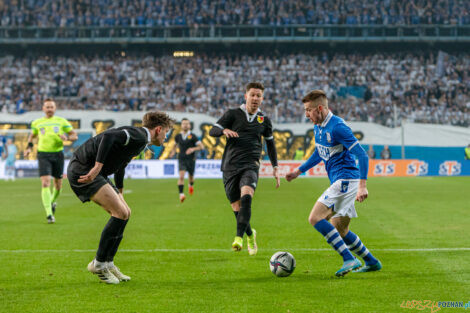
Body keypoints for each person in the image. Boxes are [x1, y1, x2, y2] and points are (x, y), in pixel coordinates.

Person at [67, 111, 174, 284]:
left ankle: (108, 262)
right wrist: (96, 167)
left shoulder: (141, 141)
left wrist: (120, 190)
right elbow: (108, 136)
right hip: (84, 169)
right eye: (166, 133)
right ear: (158, 129)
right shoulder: (139, 135)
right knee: (119, 212)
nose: (165, 138)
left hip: (96, 171)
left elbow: (121, 164)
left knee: (125, 212)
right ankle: (99, 263)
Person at [286, 90, 382, 277]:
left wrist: (362, 186)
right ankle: (371, 261)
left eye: (309, 110)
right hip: (342, 180)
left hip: (346, 179)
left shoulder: (338, 127)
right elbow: (319, 153)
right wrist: (299, 171)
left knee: (315, 218)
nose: (306, 114)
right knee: (341, 228)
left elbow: (362, 154)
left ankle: (348, 258)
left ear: (320, 108)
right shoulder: (318, 126)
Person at [209, 82, 280, 255]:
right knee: (237, 207)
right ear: (245, 96)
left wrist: (275, 167)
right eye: (252, 95)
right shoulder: (232, 114)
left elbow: (270, 145)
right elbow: (213, 131)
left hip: (251, 164)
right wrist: (224, 130)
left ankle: (238, 238)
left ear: (262, 98)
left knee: (247, 197)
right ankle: (250, 234)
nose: (255, 98)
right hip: (230, 166)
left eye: (259, 96)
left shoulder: (264, 120)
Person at [24, 99, 77, 223]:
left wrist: (67, 138)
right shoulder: (37, 122)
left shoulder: (61, 121)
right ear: (43, 108)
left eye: (51, 107)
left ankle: (52, 202)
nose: (49, 109)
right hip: (43, 154)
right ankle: (49, 214)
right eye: (47, 107)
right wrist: (28, 148)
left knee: (58, 185)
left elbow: (74, 136)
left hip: (58, 154)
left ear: (55, 108)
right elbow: (32, 135)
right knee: (45, 182)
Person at [169, 118, 205, 202]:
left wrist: (193, 149)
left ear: (189, 125)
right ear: (181, 125)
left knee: (191, 177)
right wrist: (173, 152)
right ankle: (181, 194)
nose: (185, 125)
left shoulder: (193, 136)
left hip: (191, 160)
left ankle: (190, 185)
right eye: (183, 124)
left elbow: (201, 146)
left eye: (187, 124)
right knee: (181, 176)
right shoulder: (178, 136)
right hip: (181, 158)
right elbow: (175, 145)